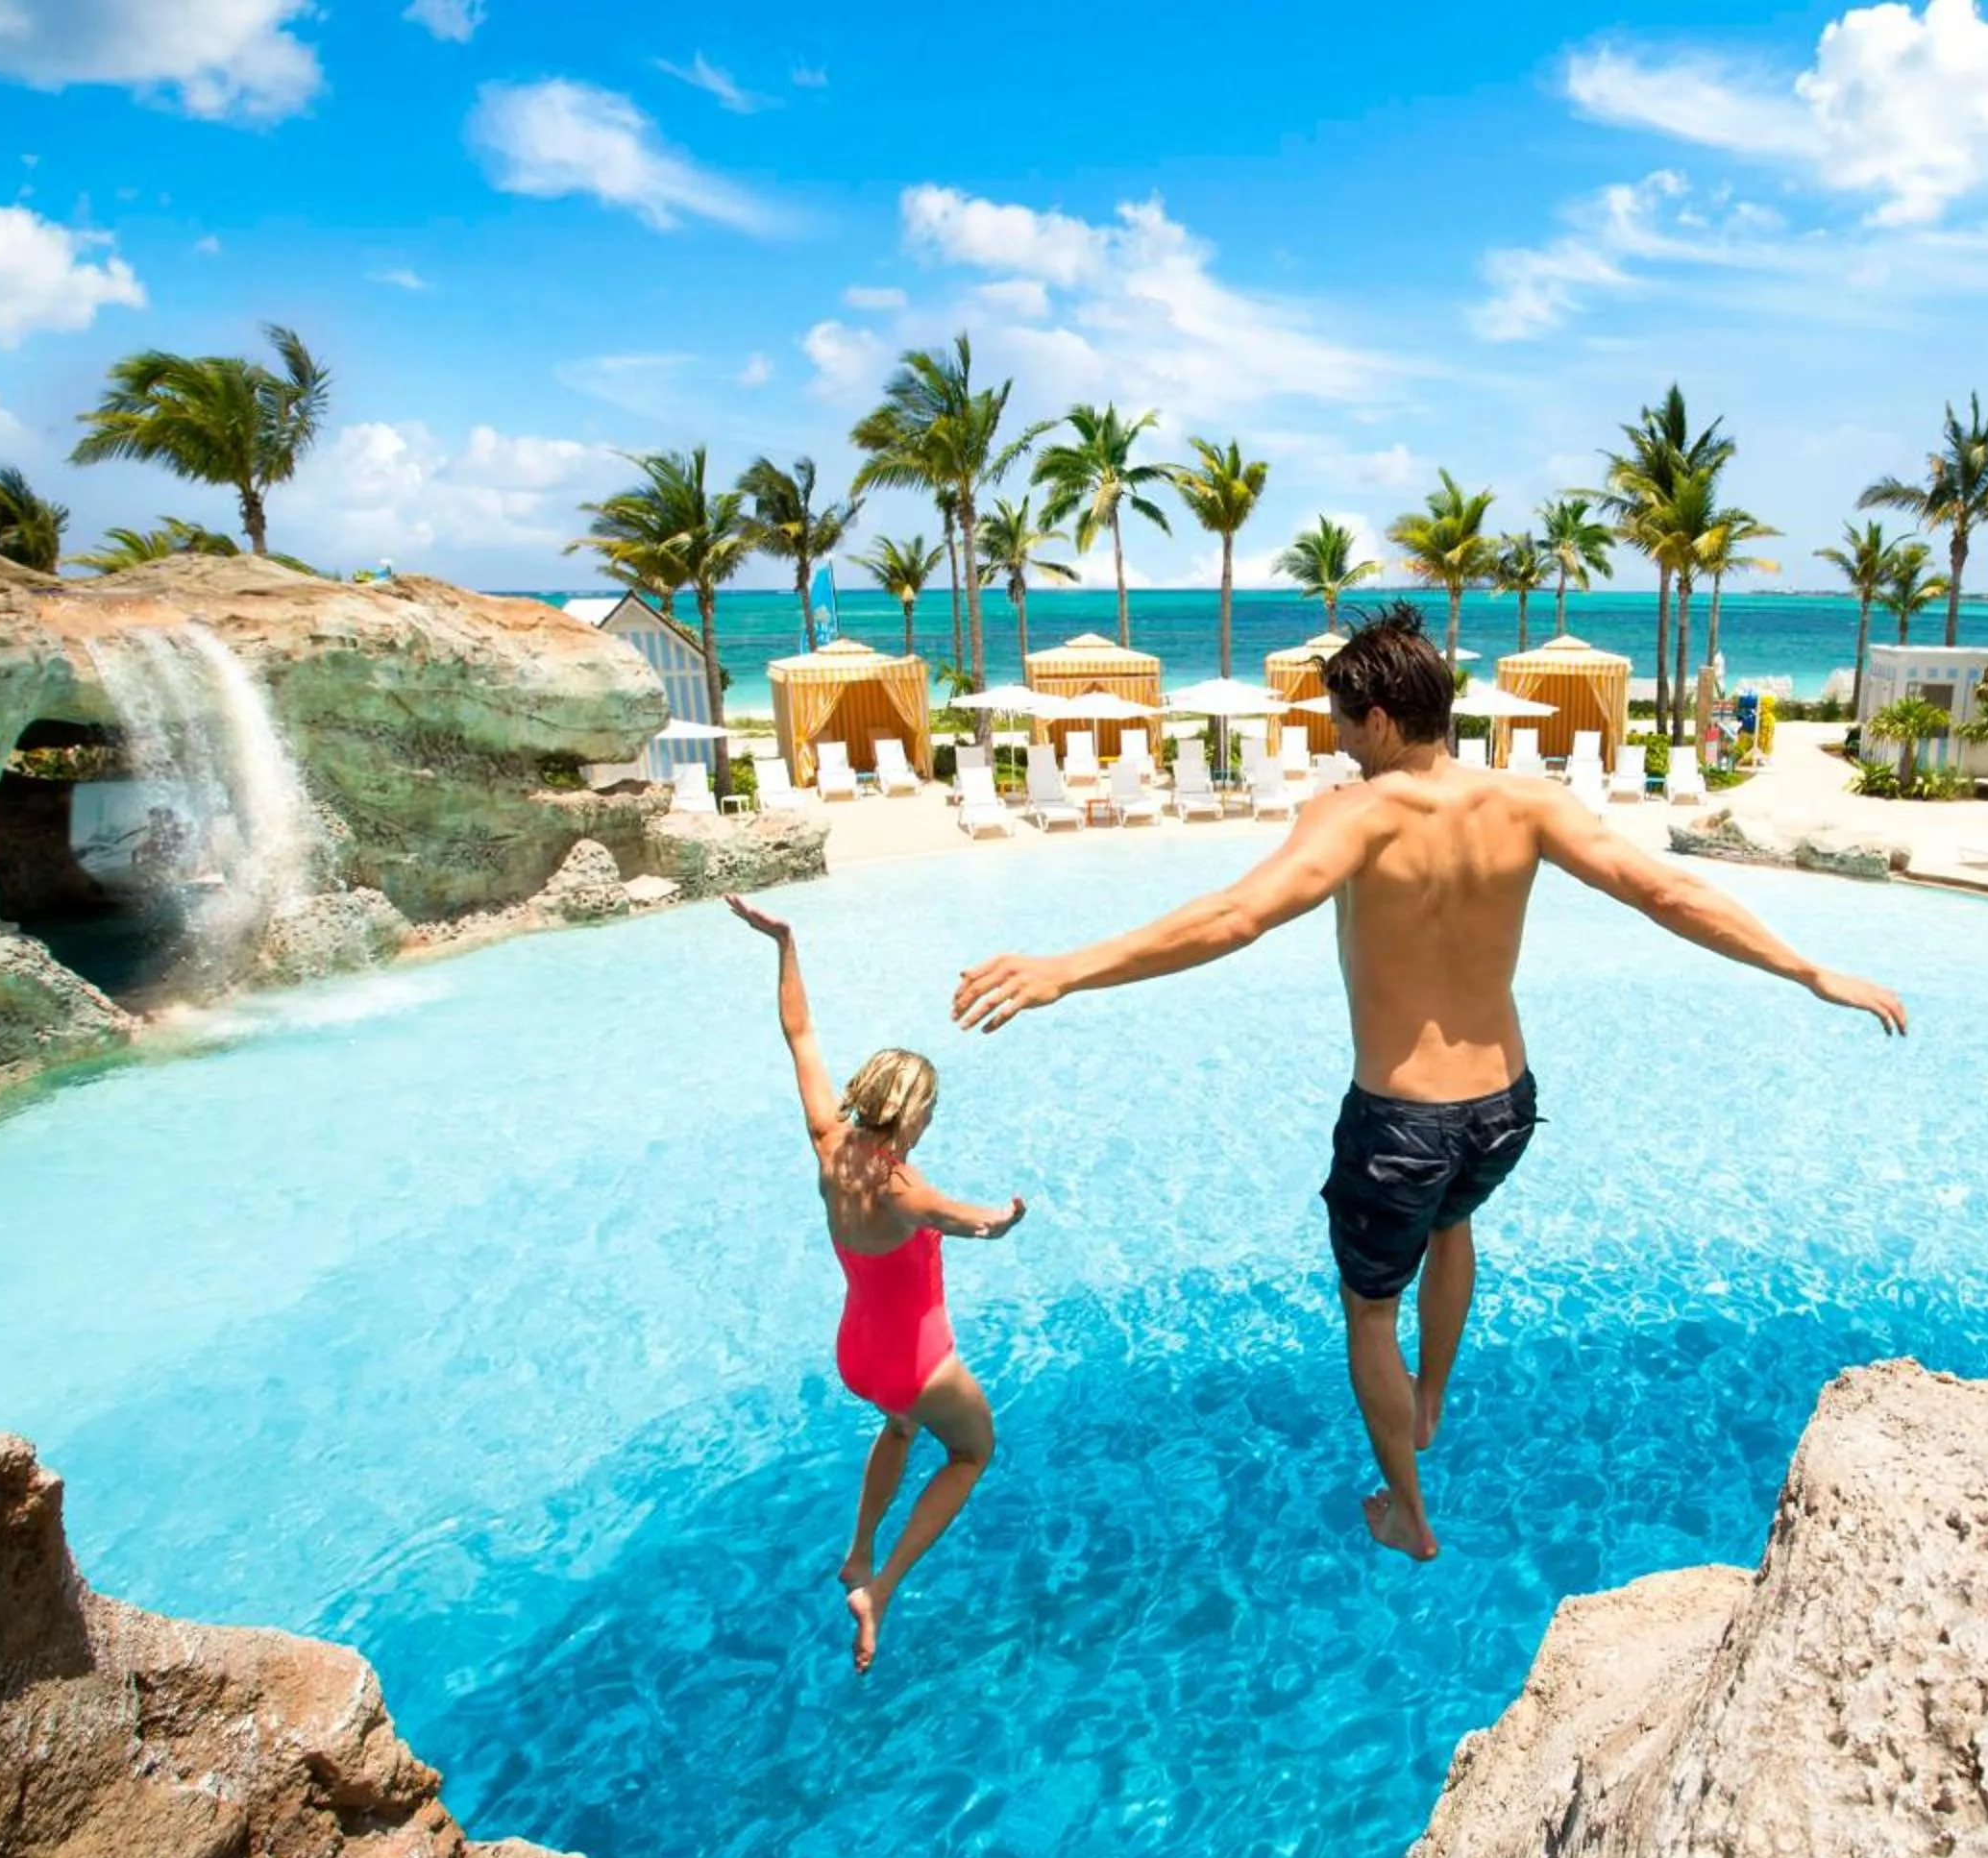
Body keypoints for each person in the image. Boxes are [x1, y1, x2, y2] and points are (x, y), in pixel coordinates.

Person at [951, 603, 1905, 1562]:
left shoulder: (1355, 812)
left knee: (1370, 1309)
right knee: (1453, 1224)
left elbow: (1238, 915)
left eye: (1338, 719)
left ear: (1377, 720)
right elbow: (1664, 889)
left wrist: (1066, 968)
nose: (1333, 738)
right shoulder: (1527, 804)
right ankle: (1434, 1395)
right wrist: (1808, 968)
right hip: (1503, 1109)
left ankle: (1409, 1510)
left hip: (1400, 1122)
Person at [729, 894, 1026, 1673]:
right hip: (916, 1359)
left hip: (856, 1351)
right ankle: (883, 1586)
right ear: (913, 1114)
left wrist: (786, 944)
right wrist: (1007, 1216)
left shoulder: (829, 1140)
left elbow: (799, 1031)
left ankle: (859, 1550)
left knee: (899, 1429)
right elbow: (977, 1223)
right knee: (971, 1453)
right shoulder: (902, 1190)